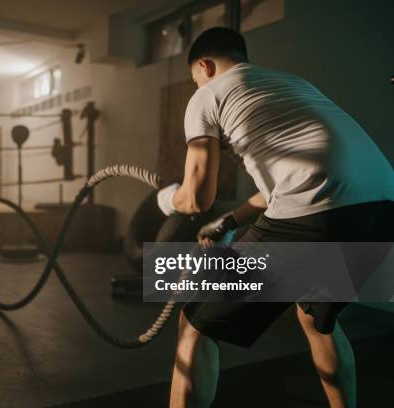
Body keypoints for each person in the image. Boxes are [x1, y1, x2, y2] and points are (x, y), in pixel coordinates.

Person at [156, 27, 394, 408]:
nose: (196, 84)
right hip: (382, 209)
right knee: (317, 319)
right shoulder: (288, 83)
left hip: (316, 213)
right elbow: (291, 181)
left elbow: (197, 197)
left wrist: (168, 199)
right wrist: (231, 220)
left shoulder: (208, 95)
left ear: (204, 65)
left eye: (195, 77)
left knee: (197, 321)